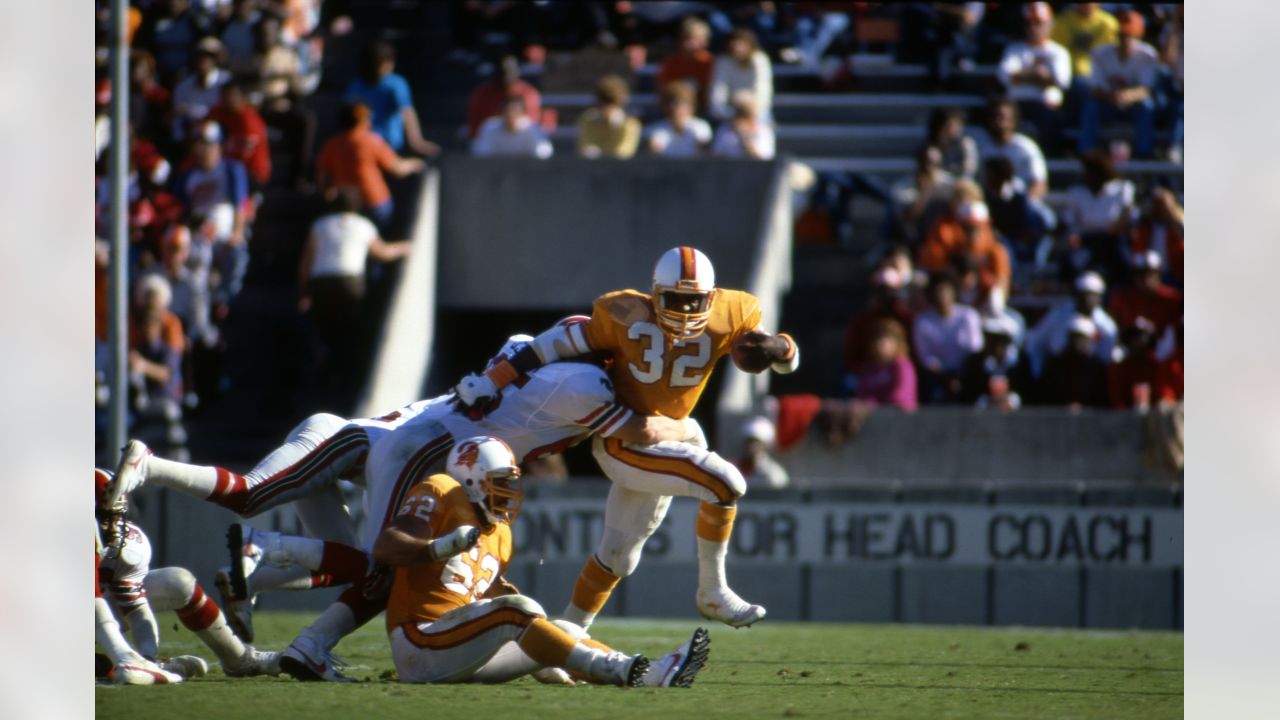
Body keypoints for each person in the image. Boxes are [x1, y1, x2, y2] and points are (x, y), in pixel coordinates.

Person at [453, 247, 800, 630]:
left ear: (712, 297)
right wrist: (491, 381)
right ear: (655, 294)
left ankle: (564, 641)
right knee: (726, 482)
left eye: (694, 301)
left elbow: (785, 358)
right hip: (624, 443)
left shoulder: (734, 312)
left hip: (666, 441)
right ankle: (713, 591)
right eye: (676, 300)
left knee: (619, 555)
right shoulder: (620, 313)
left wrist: (778, 348)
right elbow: (548, 346)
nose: (685, 312)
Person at [375, 436, 711, 687]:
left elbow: (489, 599)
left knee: (560, 627)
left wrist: (545, 651)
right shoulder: (442, 489)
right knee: (518, 610)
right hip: (419, 643)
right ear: (471, 479)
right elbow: (387, 546)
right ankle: (618, 669)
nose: (509, 493)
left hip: (458, 648)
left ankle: (655, 673)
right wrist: (438, 548)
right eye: (500, 484)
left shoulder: (500, 533)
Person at [95, 469, 280, 679]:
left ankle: (238, 658)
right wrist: (124, 657)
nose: (111, 527)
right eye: (102, 517)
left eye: (115, 516)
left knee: (177, 582)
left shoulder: (126, 544)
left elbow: (136, 609)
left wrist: (148, 658)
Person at [298, 187, 412, 392]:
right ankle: (345, 376)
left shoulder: (319, 225)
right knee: (348, 328)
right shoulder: (364, 225)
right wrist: (405, 247)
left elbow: (306, 263)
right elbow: (383, 253)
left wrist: (304, 292)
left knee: (324, 328)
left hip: (321, 282)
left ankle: (321, 372)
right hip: (350, 283)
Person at [173, 120, 250, 306]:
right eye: (198, 145)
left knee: (237, 254)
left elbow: (241, 205)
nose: (202, 150)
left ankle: (224, 302)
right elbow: (181, 210)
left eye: (207, 145)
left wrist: (237, 233)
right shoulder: (187, 176)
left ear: (218, 146)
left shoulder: (231, 170)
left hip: (225, 234)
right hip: (197, 237)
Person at [315, 103, 425, 230]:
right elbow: (397, 168)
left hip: (346, 206)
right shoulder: (371, 141)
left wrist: (328, 194)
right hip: (374, 202)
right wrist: (414, 164)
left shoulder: (331, 144)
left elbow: (322, 176)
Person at [1078, 10, 1159, 158]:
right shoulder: (1101, 53)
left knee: (1147, 106)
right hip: (1107, 104)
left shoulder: (1147, 55)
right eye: (1122, 35)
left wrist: (1128, 95)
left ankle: (1144, 154)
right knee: (1091, 105)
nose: (1125, 40)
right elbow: (1094, 88)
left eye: (1129, 35)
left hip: (1133, 106)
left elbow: (1147, 89)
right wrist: (1112, 97)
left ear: (1138, 35)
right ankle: (1086, 151)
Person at [917, 180, 1011, 301]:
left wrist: (984, 280)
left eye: (975, 228)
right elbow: (933, 262)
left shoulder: (993, 245)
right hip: (952, 292)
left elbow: (1001, 279)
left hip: (984, 297)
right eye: (966, 228)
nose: (971, 232)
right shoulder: (944, 229)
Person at [996, 2, 1071, 150]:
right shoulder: (1014, 49)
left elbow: (1061, 81)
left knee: (1052, 120)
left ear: (1049, 24)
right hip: (1017, 105)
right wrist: (1038, 76)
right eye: (1029, 23)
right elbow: (1004, 76)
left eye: (1038, 23)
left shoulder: (1058, 52)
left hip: (1046, 106)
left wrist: (1022, 76)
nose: (1032, 28)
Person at [344, 40, 439, 156]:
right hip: (362, 143)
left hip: (389, 143)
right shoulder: (356, 86)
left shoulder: (395, 84)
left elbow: (406, 111)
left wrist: (415, 141)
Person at [1024, 270, 1118, 378]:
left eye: (1092, 295)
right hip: (1058, 372)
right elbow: (1036, 342)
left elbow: (1107, 359)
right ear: (1076, 295)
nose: (1087, 299)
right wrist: (1037, 372)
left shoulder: (1107, 326)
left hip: (1091, 377)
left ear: (1100, 297)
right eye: (1083, 294)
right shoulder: (1058, 315)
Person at [1062, 149, 1135, 284]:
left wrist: (1111, 231)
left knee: (1124, 262)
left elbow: (1126, 217)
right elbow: (1070, 222)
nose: (1086, 176)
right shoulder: (1076, 192)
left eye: (1090, 172)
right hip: (1087, 241)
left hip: (1114, 241)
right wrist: (1074, 236)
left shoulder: (1122, 189)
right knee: (1071, 263)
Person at [912, 272, 983, 404]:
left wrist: (959, 376)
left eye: (946, 291)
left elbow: (975, 348)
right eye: (937, 291)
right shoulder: (922, 320)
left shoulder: (968, 316)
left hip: (967, 373)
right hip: (938, 377)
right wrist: (945, 378)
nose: (942, 296)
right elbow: (926, 357)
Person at [842, 266, 915, 377]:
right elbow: (852, 356)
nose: (886, 295)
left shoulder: (907, 318)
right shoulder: (862, 321)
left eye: (890, 291)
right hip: (869, 374)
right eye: (882, 291)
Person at [973, 98, 1049, 200]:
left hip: (1021, 203)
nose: (998, 121)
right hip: (987, 203)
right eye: (994, 116)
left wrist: (1025, 204)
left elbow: (1039, 183)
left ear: (1013, 121)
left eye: (1002, 117)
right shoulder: (980, 148)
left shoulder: (1026, 148)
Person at [1050, 2, 1118, 112]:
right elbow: (1056, 52)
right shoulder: (1062, 21)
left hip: (1101, 76)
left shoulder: (1108, 23)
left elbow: (1111, 54)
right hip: (1071, 76)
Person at [1034, 315, 1109, 408]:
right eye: (1074, 337)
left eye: (1082, 338)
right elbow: (1046, 395)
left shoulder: (1097, 368)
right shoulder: (1055, 364)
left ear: (1089, 340)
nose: (1077, 342)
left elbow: (1101, 400)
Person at [207, 81, 271, 187]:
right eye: (224, 96)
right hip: (226, 165)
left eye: (231, 96)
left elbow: (245, 155)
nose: (227, 100)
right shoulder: (221, 111)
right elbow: (203, 125)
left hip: (251, 173)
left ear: (241, 97)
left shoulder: (249, 119)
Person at [959, 315, 1029, 410]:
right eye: (989, 339)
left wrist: (1013, 401)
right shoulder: (975, 362)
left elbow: (1029, 393)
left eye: (997, 340)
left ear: (1007, 342)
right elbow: (969, 394)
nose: (991, 344)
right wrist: (986, 402)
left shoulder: (1021, 361)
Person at [888, 145, 954, 245]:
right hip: (916, 239)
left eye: (935, 164)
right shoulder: (902, 188)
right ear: (918, 164)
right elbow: (907, 219)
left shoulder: (950, 184)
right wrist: (926, 191)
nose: (930, 168)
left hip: (944, 236)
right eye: (926, 163)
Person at [465, 55, 542, 139]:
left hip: (521, 140)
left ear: (517, 72)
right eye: (502, 72)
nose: (506, 76)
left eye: (510, 71)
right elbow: (474, 125)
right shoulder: (482, 93)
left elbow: (532, 124)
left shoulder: (527, 92)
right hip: (490, 141)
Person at [1108, 250, 1182, 337]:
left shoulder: (1172, 298)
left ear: (1159, 275)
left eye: (1150, 274)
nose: (1146, 279)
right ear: (1134, 276)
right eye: (1141, 274)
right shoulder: (1120, 297)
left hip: (1162, 346)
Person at [848, 318, 917, 411]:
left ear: (897, 343)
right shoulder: (867, 368)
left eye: (884, 341)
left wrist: (877, 405)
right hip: (874, 418)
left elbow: (901, 396)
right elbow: (863, 395)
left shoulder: (903, 366)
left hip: (900, 417)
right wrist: (869, 403)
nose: (879, 344)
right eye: (876, 340)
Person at [171, 37, 231, 143]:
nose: (203, 61)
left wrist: (190, 110)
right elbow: (177, 118)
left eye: (209, 57)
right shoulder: (183, 87)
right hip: (190, 137)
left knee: (211, 129)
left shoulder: (226, 81)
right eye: (200, 56)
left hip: (220, 135)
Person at [709, 28, 773, 122]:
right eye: (734, 44)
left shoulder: (759, 60)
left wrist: (753, 110)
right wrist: (723, 111)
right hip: (730, 109)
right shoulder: (723, 61)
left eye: (741, 44)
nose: (737, 48)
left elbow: (763, 89)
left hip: (756, 110)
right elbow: (718, 90)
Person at [656, 17, 715, 113]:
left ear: (705, 41)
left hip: (704, 108)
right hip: (674, 108)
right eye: (687, 38)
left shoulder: (710, 62)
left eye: (696, 39)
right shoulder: (671, 62)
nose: (691, 43)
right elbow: (663, 89)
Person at [576, 75, 641, 159]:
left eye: (611, 102)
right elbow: (584, 148)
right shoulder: (588, 120)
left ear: (620, 103)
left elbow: (624, 152)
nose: (607, 107)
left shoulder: (630, 124)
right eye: (604, 102)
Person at [1129, 185, 1184, 286]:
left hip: (1174, 275)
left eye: (1161, 204)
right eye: (1156, 203)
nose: (1159, 207)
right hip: (1146, 273)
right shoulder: (1143, 225)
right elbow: (1136, 253)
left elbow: (1182, 235)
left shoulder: (1176, 224)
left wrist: (1169, 209)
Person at [471, 96, 554, 158]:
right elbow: (480, 152)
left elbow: (544, 152)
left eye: (515, 111)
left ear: (523, 113)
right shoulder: (489, 127)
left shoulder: (532, 128)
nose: (510, 115)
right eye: (507, 111)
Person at [646, 81, 713, 158]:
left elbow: (703, 153)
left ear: (692, 106)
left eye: (683, 103)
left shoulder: (701, 127)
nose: (677, 108)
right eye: (673, 103)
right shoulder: (653, 130)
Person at [709, 92, 775, 160]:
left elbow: (763, 160)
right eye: (739, 112)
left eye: (744, 113)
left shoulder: (763, 131)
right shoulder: (724, 129)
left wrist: (744, 138)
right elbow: (715, 156)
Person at [734, 416, 789, 489]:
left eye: (757, 442)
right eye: (749, 441)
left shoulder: (774, 474)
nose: (752, 446)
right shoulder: (734, 468)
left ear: (766, 445)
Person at [925, 107, 977, 180]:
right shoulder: (930, 150)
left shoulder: (966, 145)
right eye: (951, 126)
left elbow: (968, 173)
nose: (956, 130)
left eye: (958, 126)